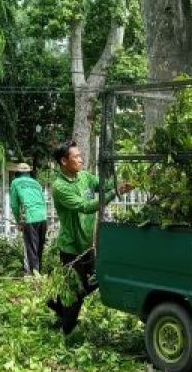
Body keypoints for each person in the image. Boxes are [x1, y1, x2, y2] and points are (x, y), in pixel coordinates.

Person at [46, 140, 132, 334]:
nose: (80, 159)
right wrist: (114, 192)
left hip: (87, 245)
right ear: (63, 161)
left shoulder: (84, 177)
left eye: (80, 155)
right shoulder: (59, 187)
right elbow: (85, 207)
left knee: (96, 279)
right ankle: (67, 332)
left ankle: (56, 302)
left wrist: (122, 183)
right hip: (70, 248)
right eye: (76, 157)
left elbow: (104, 185)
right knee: (76, 294)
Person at [9, 162, 47, 275]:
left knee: (30, 250)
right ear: (28, 173)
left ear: (17, 173)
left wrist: (18, 221)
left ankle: (32, 278)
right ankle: (38, 274)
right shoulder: (36, 183)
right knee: (39, 249)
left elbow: (15, 205)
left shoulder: (15, 182)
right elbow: (43, 201)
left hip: (30, 218)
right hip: (43, 217)